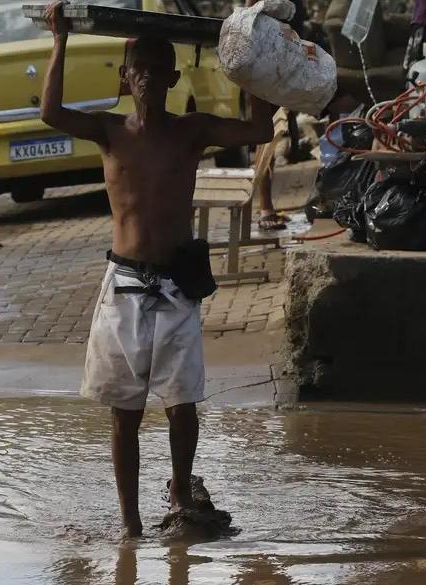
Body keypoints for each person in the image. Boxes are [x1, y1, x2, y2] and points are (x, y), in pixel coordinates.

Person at [40, 1, 275, 538]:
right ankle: (130, 525)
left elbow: (259, 129)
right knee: (124, 414)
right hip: (122, 287)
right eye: (137, 68)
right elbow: (51, 114)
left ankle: (179, 494)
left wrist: (248, 59)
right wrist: (60, 41)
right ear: (125, 78)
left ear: (173, 76)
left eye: (156, 67)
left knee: (182, 405)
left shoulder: (191, 131)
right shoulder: (109, 131)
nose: (146, 76)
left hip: (175, 288)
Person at [247, 0, 312, 231]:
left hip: (285, 60)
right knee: (265, 134)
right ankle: (265, 206)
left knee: (275, 130)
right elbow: (250, 17)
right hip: (263, 62)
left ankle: (267, 205)